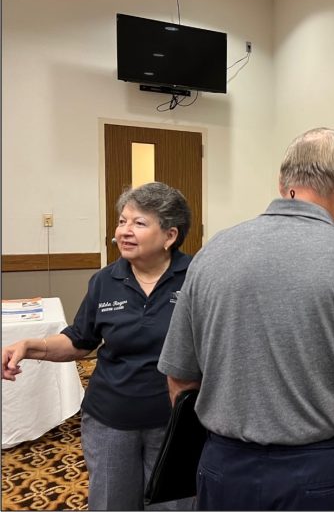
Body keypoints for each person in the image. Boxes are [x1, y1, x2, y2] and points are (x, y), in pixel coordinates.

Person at [157, 127, 334, 511]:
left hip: (226, 469)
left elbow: (179, 377)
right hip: (326, 476)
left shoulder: (212, 253)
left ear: (281, 182)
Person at [2, 182, 193, 511]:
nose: (124, 231)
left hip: (174, 424)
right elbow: (79, 340)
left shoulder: (196, 278)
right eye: (122, 221)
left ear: (170, 236)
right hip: (110, 421)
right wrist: (30, 346)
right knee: (110, 503)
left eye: (139, 223)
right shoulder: (105, 280)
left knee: (174, 505)